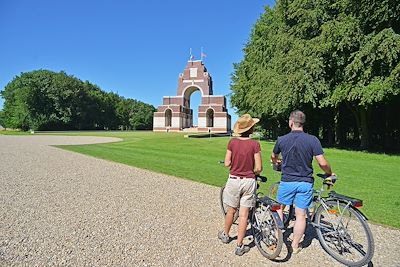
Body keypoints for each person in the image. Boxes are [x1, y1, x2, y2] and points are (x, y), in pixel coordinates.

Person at [271, 110, 334, 254]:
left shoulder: (281, 139)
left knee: (279, 208)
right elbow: (322, 163)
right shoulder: (313, 140)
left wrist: (277, 162)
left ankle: (278, 238)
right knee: (300, 215)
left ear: (291, 122)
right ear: (303, 124)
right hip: (305, 182)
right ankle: (295, 245)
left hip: (287, 181)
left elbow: (273, 157)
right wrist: (329, 173)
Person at [218, 114, 262, 256]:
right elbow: (259, 168)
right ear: (251, 129)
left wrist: (235, 164)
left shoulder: (232, 142)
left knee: (231, 210)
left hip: (234, 180)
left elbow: (226, 163)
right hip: (249, 181)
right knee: (244, 215)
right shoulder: (255, 144)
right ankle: (239, 245)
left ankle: (225, 234)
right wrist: (251, 171)